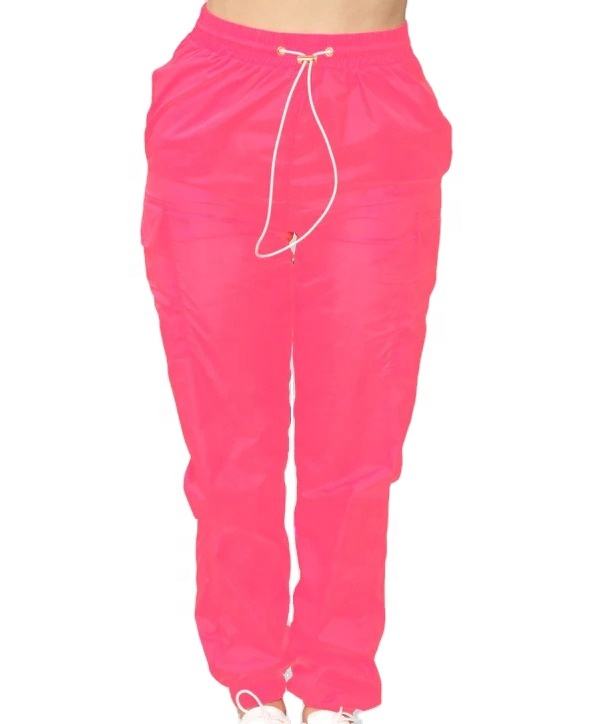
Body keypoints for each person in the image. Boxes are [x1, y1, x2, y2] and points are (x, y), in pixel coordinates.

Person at [140, 0, 452, 721]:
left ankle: (333, 681)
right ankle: (250, 681)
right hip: (219, 104)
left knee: (360, 438)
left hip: (377, 114)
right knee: (228, 436)